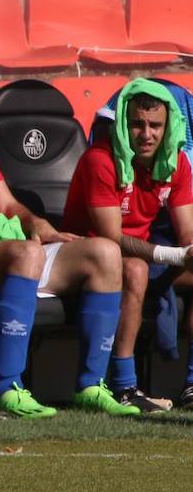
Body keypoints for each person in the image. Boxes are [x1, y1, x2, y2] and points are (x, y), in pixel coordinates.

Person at [0, 58, 123, 417]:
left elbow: (5, 203)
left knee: (105, 253)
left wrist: (38, 224)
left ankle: (91, 385)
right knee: (26, 255)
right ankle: (9, 386)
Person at [63, 78, 193, 414]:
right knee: (134, 269)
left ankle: (192, 384)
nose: (146, 134)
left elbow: (187, 233)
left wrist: (190, 252)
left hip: (144, 255)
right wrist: (175, 254)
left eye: (155, 125)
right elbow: (111, 237)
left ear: (169, 127)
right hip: (85, 260)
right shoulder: (101, 160)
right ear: (123, 123)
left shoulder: (175, 163)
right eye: (137, 124)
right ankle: (124, 386)